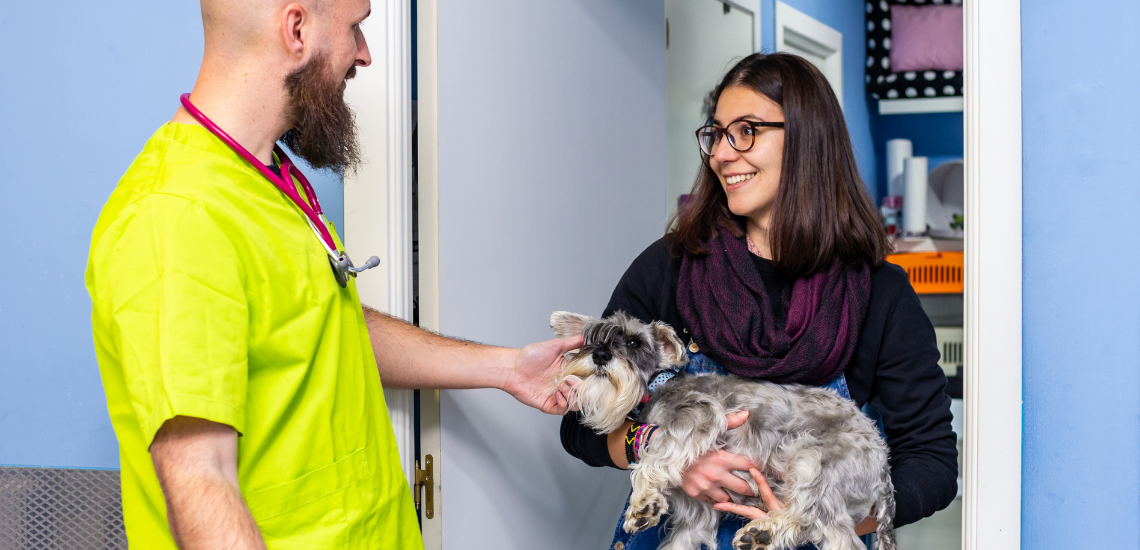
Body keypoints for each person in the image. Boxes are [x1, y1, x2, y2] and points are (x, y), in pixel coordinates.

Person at [85, 1, 580, 548]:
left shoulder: (266, 177)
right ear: (296, 29)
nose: (364, 54)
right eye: (356, 28)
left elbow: (325, 328)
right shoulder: (177, 215)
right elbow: (201, 476)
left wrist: (507, 368)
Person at [559, 52, 958, 550]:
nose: (722, 154)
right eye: (716, 133)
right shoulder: (670, 268)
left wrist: (833, 515)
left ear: (809, 140)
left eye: (746, 131)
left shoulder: (880, 295)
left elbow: (932, 459)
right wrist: (664, 450)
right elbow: (581, 425)